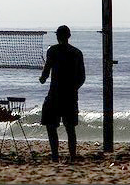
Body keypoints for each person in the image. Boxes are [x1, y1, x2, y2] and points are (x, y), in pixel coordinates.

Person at [39, 25, 86, 162]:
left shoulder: (52, 51)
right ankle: (72, 157)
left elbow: (46, 72)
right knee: (70, 128)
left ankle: (55, 156)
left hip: (55, 95)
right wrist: (74, 88)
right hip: (70, 95)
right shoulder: (77, 53)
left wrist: (42, 78)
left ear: (57, 36)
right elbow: (82, 77)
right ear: (69, 36)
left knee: (50, 126)